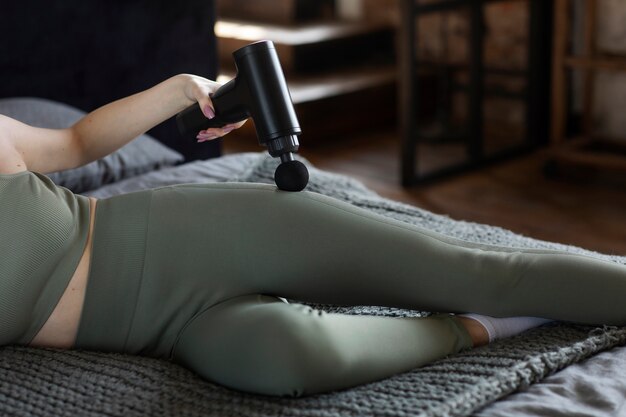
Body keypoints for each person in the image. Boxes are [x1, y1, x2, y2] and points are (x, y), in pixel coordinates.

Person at [0, 74, 624, 398]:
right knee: (286, 361)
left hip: (190, 237)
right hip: (166, 332)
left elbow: (76, 144)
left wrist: (178, 90)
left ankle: (495, 301)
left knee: (479, 271)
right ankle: (479, 328)